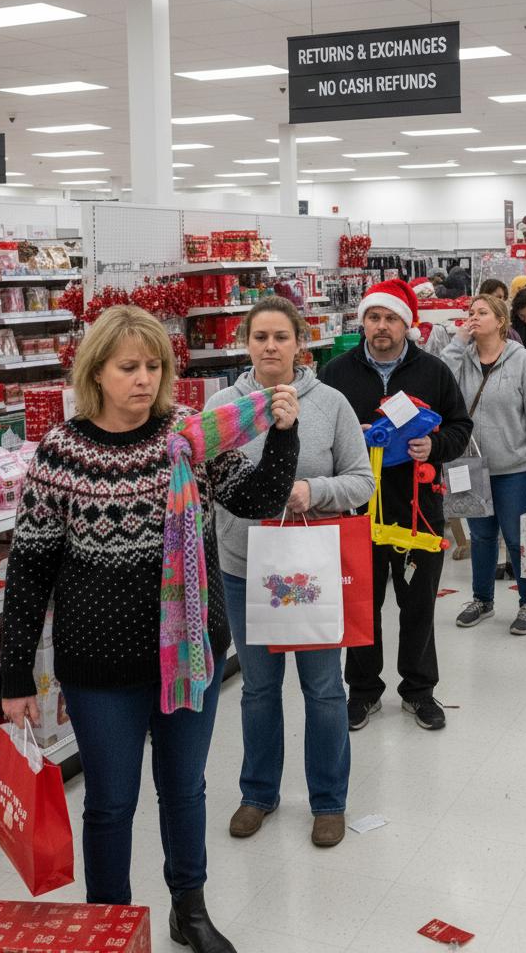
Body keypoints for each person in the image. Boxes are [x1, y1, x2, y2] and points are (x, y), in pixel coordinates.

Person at [0, 306, 300, 953]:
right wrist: (14, 672)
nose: (144, 379)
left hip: (190, 653)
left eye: (154, 366)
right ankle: (110, 925)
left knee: (184, 790)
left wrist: (283, 435)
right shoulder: (61, 453)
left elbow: (258, 499)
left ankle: (189, 910)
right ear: (96, 373)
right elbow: (29, 567)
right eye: (128, 367)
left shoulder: (188, 437)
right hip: (99, 668)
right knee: (110, 802)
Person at [208, 297, 375, 849]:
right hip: (243, 568)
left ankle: (328, 801)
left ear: (300, 342)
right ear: (246, 343)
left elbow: (362, 480)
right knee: (257, 689)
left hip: (310, 570)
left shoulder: (330, 403)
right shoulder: (223, 407)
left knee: (323, 688)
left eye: (281, 336)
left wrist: (313, 490)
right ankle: (258, 793)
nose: (271, 347)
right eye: (260, 337)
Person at [320, 279, 472, 732]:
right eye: (374, 317)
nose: (381, 326)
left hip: (418, 509)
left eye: (390, 318)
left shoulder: (434, 372)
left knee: (419, 604)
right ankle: (363, 691)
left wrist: (434, 445)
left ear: (407, 325)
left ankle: (419, 691)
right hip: (356, 511)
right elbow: (320, 434)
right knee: (362, 604)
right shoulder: (337, 373)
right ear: (363, 322)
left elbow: (461, 426)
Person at [440, 295, 526, 635]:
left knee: (518, 539)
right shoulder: (462, 358)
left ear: (501, 321)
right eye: (470, 312)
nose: (473, 317)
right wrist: (457, 343)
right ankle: (482, 600)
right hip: (468, 465)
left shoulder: (523, 361)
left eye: (482, 312)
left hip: (515, 467)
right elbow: (438, 384)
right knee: (481, 536)